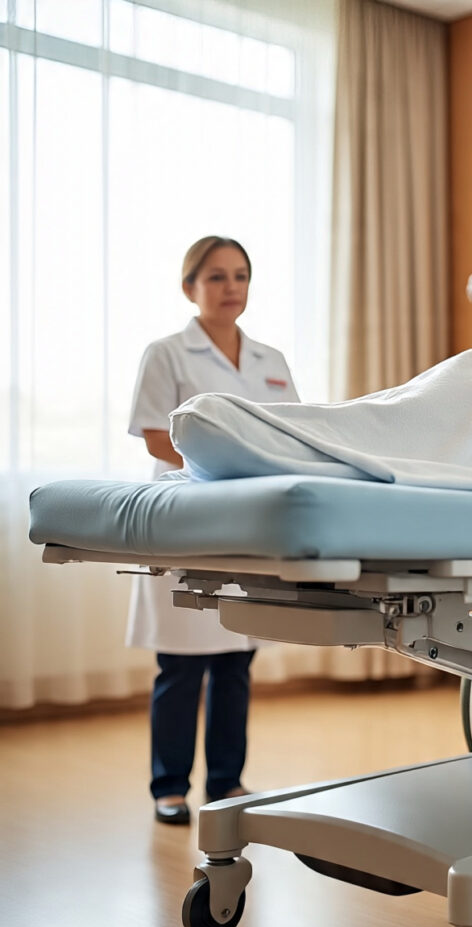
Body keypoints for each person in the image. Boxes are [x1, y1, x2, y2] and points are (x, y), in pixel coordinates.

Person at [126, 236, 299, 825]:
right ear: (189, 287)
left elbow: (289, 433)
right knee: (181, 664)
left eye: (241, 276)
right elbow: (154, 434)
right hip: (187, 513)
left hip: (249, 517)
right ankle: (168, 787)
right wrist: (219, 469)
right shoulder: (167, 353)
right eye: (218, 277)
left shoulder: (270, 361)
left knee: (236, 660)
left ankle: (226, 782)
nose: (232, 288)